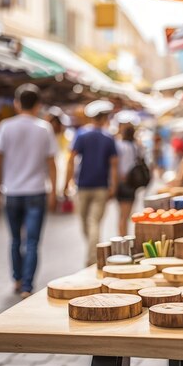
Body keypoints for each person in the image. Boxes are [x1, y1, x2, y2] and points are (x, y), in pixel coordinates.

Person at [0, 84, 57, 298]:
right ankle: (27, 286)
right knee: (33, 241)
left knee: (15, 240)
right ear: (38, 105)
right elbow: (52, 163)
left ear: (17, 104)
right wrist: (54, 191)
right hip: (37, 191)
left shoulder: (5, 126)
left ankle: (17, 279)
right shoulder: (44, 128)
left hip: (11, 192)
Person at [65, 100, 118, 266]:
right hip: (101, 186)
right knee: (92, 222)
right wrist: (113, 186)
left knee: (87, 222)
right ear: (104, 118)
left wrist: (67, 182)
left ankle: (92, 259)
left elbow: (71, 159)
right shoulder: (109, 138)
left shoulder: (81, 134)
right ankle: (94, 253)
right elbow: (114, 165)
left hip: (83, 186)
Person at [115, 113, 142, 236]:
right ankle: (124, 240)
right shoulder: (137, 145)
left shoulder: (119, 145)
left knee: (123, 216)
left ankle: (123, 240)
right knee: (125, 216)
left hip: (123, 183)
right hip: (131, 183)